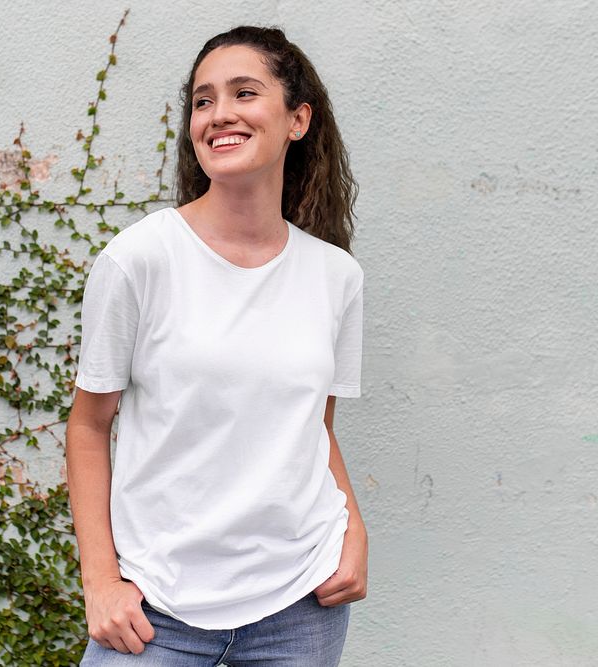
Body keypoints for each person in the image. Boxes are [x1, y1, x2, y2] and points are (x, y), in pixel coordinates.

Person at [66, 25, 367, 666]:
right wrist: (100, 580)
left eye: (244, 92)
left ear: (297, 119)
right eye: (203, 100)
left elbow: (315, 426)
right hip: (155, 613)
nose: (219, 114)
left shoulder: (335, 276)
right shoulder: (139, 259)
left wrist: (354, 532)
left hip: (300, 610)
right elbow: (89, 427)